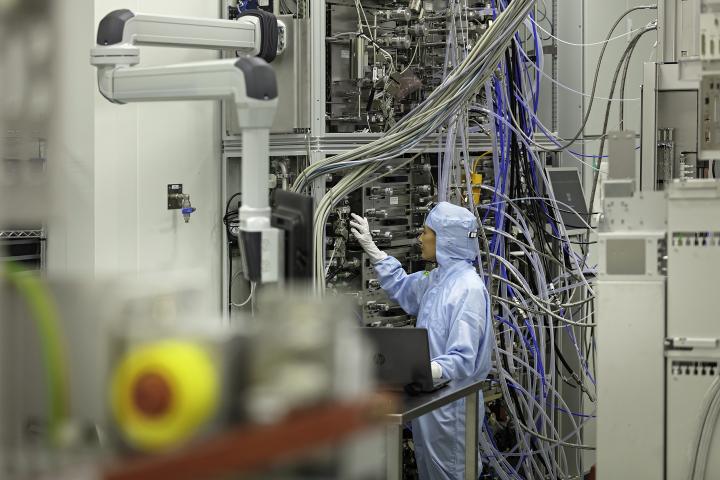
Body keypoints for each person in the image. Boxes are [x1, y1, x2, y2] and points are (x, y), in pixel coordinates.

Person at [350, 201, 492, 480]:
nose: (420, 238)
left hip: (452, 409)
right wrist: (374, 250)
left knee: (452, 473)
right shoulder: (439, 278)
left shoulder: (468, 289)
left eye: (426, 232)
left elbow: (463, 359)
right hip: (431, 402)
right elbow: (405, 288)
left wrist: (419, 368)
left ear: (445, 240)